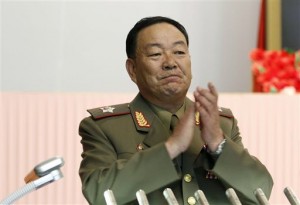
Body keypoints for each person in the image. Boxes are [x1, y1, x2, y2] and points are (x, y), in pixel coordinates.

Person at [79, 16, 273, 205]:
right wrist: (171, 147)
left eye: (179, 52)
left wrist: (217, 143)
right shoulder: (105, 127)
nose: (170, 62)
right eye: (156, 54)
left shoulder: (220, 123)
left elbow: (260, 191)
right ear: (132, 69)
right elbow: (99, 194)